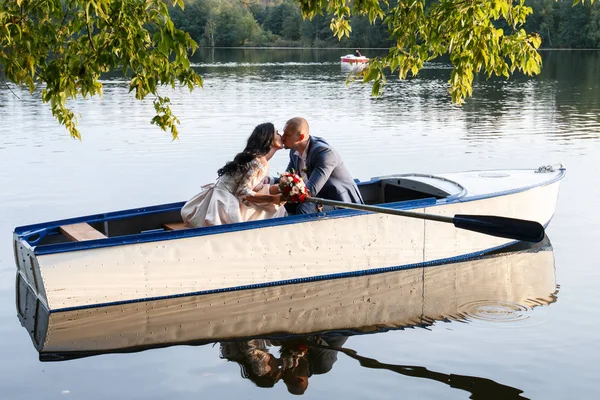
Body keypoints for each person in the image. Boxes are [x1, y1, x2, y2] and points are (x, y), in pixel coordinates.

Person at [181, 122, 286, 228]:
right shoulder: (260, 162)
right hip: (224, 205)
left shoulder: (253, 157)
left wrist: (277, 186)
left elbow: (251, 183)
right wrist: (273, 199)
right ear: (269, 140)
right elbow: (243, 192)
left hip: (217, 197)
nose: (281, 135)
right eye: (277, 133)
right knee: (277, 209)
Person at [277, 117, 363, 214]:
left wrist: (276, 198)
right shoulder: (294, 151)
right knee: (284, 205)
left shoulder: (324, 153)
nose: (282, 137)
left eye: (287, 135)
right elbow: (286, 179)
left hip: (340, 202)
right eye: (283, 133)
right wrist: (268, 184)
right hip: (318, 198)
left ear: (300, 137)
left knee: (304, 209)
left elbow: (310, 190)